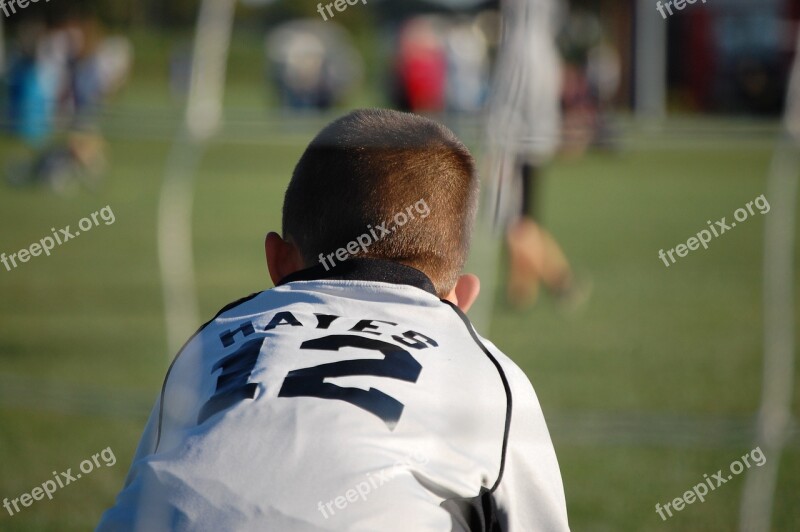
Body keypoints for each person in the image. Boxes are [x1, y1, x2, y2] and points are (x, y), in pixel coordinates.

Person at [97, 109, 569, 531]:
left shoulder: (212, 337)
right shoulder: (486, 370)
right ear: (458, 300)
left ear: (278, 261)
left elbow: (150, 485)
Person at [485, 0, 582, 308]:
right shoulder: (541, 48)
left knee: (512, 218)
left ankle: (561, 281)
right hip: (530, 137)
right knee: (520, 214)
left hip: (517, 142)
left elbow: (509, 103)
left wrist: (496, 143)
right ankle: (521, 289)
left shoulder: (522, 51)